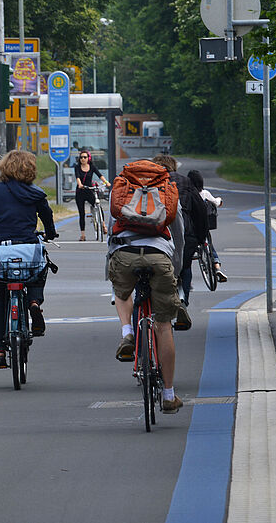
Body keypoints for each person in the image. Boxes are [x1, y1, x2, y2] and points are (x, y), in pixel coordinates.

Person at [108, 158, 186, 413]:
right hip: (159, 255)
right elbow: (179, 234)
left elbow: (112, 231)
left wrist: (111, 270)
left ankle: (127, 332)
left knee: (121, 292)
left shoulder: (123, 186)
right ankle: (169, 394)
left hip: (124, 254)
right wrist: (177, 270)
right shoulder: (166, 188)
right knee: (163, 325)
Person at [0, 150, 57, 367]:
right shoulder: (36, 193)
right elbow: (47, 217)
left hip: (0, 250)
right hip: (27, 248)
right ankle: (33, 301)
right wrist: (49, 233)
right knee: (38, 272)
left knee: (1, 298)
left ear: (4, 168)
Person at [151, 154, 204, 328]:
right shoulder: (185, 182)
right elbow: (200, 211)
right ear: (173, 167)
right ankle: (183, 302)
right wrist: (200, 238)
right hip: (185, 234)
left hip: (154, 236)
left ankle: (148, 308)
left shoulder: (147, 181)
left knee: (152, 272)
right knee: (185, 268)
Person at [187, 169, 228, 282]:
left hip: (190, 228)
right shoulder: (205, 193)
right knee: (209, 244)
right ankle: (216, 266)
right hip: (203, 225)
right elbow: (216, 202)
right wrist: (220, 200)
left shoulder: (187, 194)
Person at [74, 150, 110, 241]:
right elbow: (77, 177)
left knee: (98, 205)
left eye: (85, 157)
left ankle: (103, 225)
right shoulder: (77, 167)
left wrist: (106, 182)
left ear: (88, 158)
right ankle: (83, 235)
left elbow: (100, 175)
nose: (83, 159)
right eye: (81, 157)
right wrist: (80, 184)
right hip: (80, 191)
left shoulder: (92, 167)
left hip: (90, 190)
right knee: (81, 213)